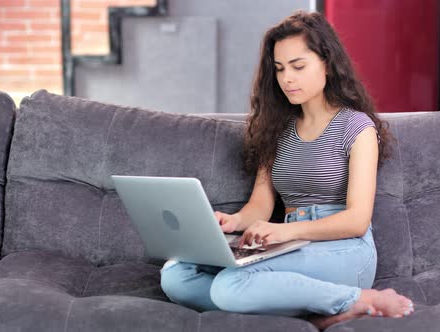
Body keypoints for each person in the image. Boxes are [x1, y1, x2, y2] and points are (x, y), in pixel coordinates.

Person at [159, 10, 414, 329]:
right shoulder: (275, 129)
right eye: (279, 69)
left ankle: (357, 298)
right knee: (176, 275)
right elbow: (261, 206)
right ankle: (314, 311)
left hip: (344, 250)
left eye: (298, 66)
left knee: (229, 287)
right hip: (289, 243)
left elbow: (357, 219)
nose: (287, 78)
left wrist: (284, 230)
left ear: (327, 63)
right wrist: (232, 221)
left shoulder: (356, 127)